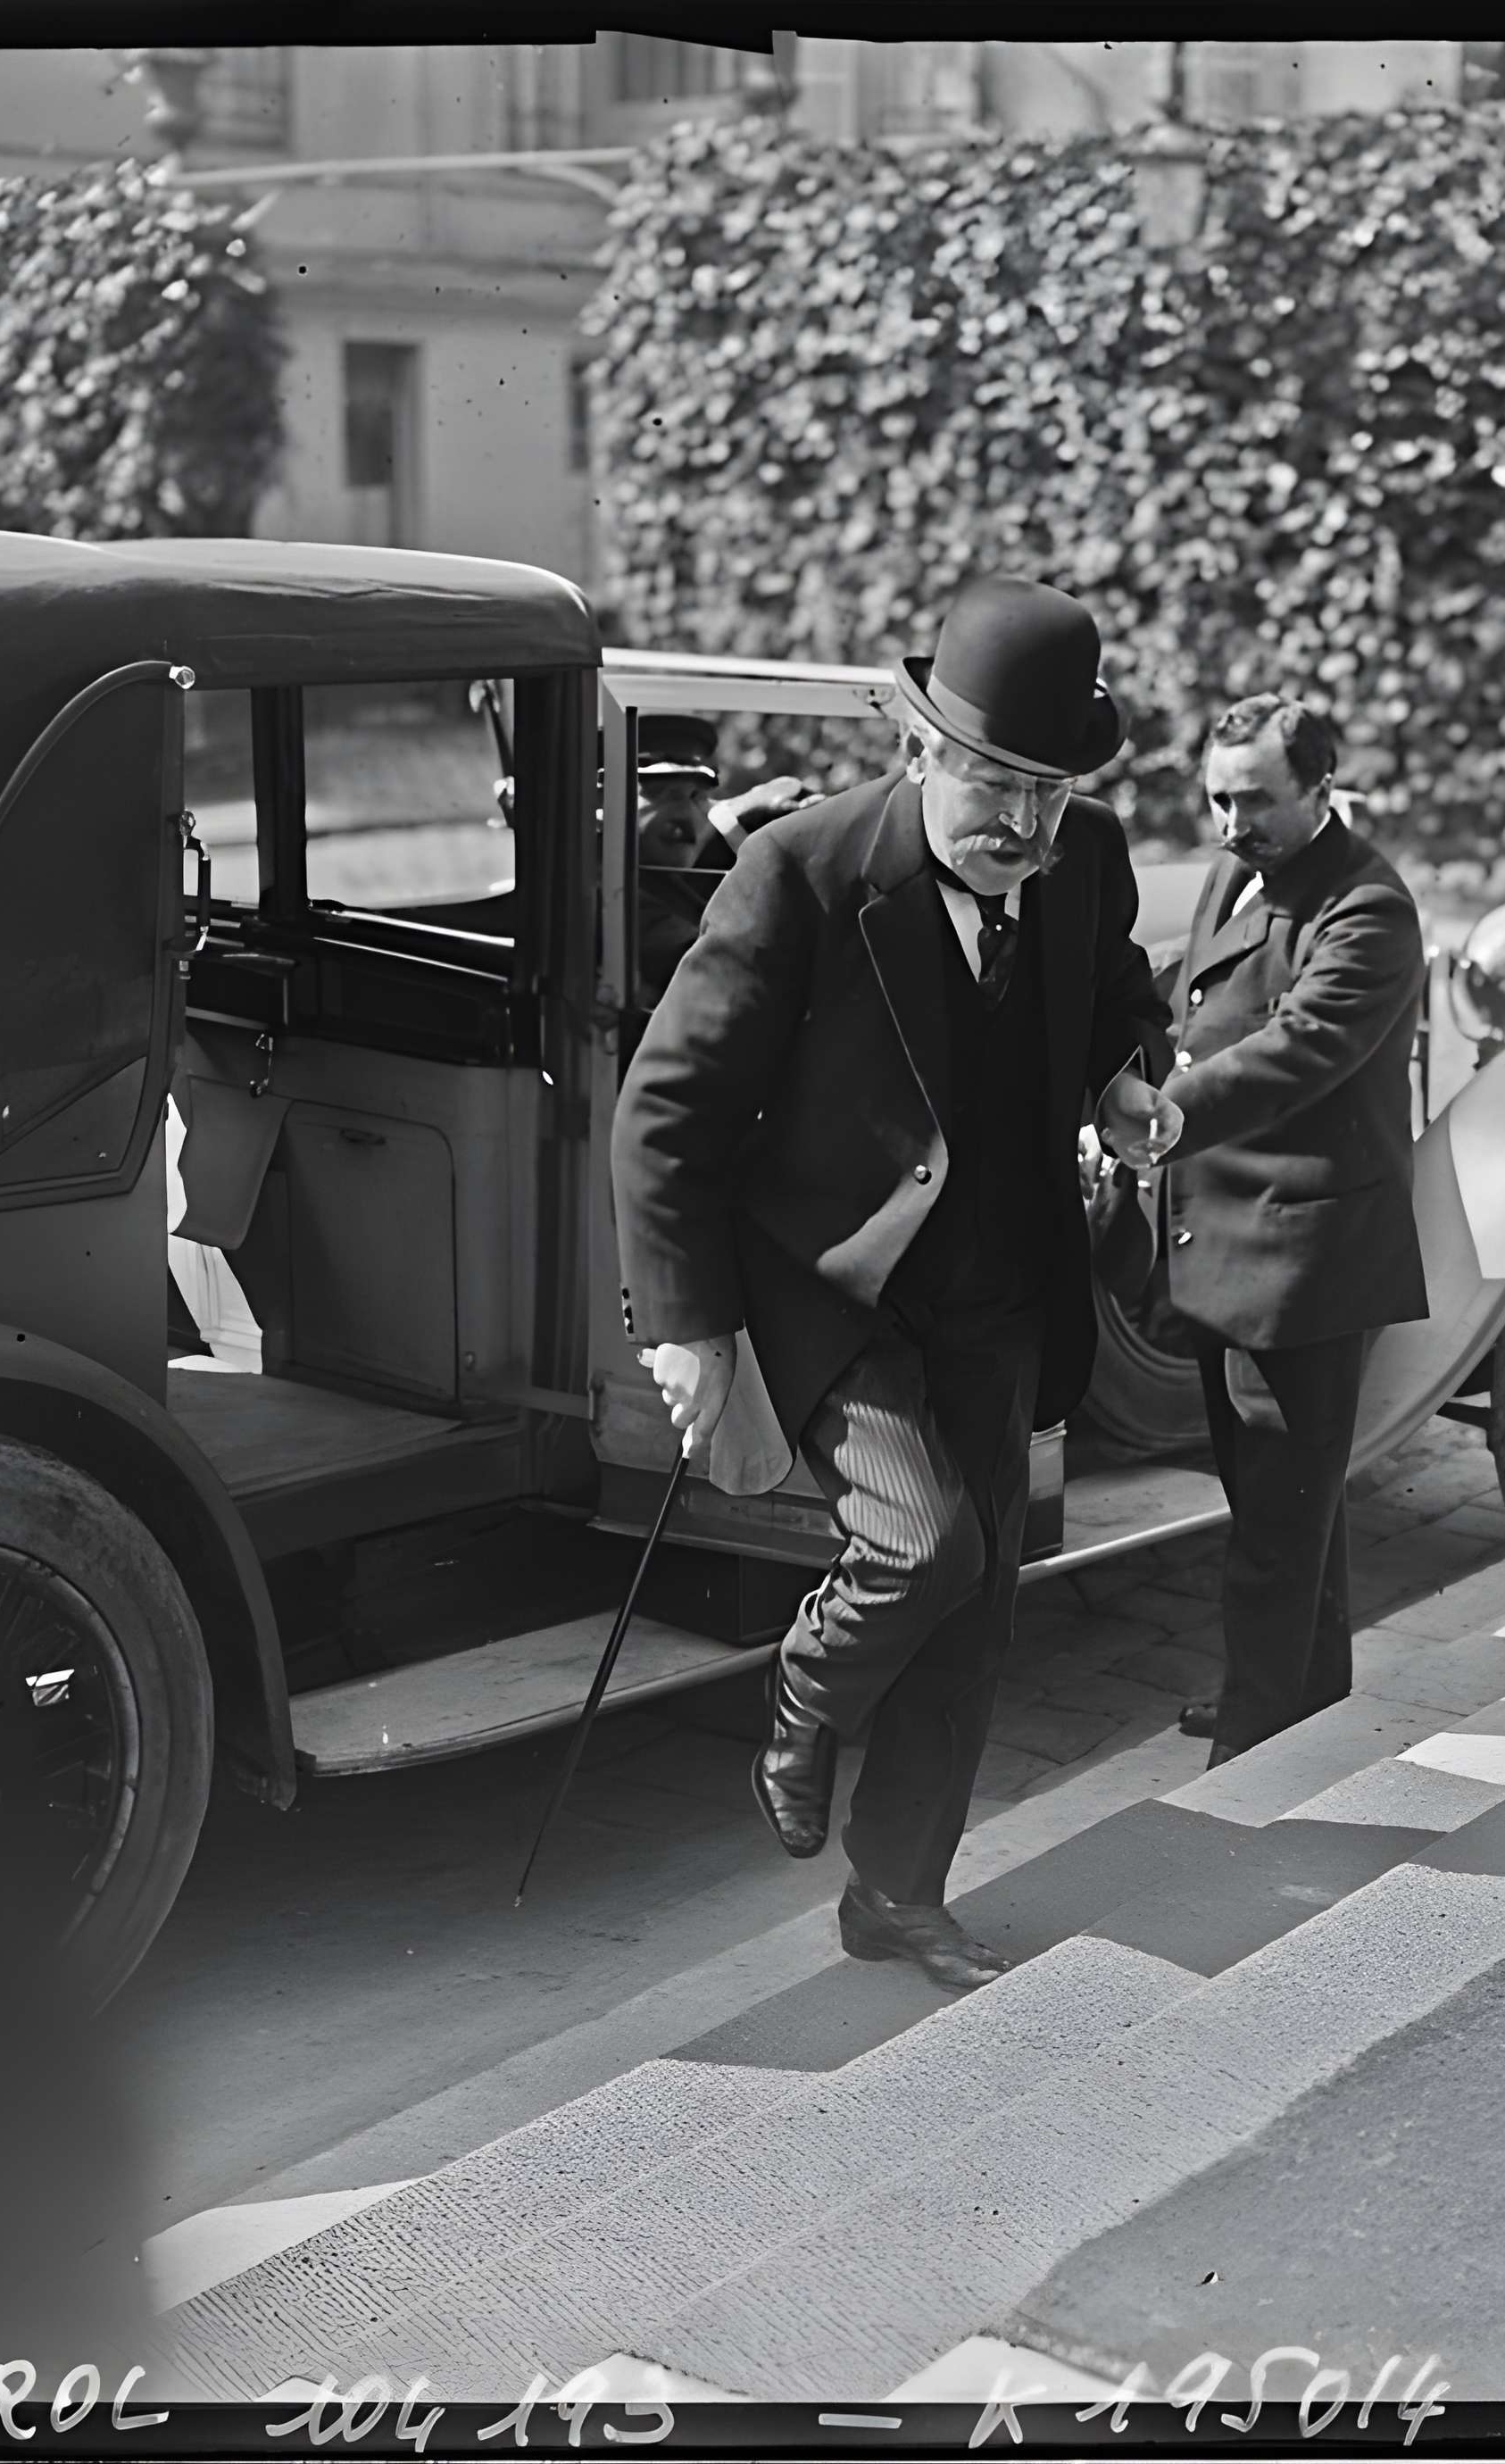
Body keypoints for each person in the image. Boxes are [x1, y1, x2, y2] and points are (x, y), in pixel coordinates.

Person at [611, 578, 1178, 1991]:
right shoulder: (799, 875)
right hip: (835, 1296)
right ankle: (804, 1695)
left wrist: (1123, 1085)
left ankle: (897, 1898)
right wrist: (689, 1327)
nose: (1025, 827)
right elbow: (665, 1111)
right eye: (996, 783)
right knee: (926, 1550)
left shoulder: (1082, 858)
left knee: (974, 1618)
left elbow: (1118, 991)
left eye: (1049, 793)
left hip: (998, 1289)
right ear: (920, 749)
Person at [1150, 695, 1432, 1761]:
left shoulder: (1369, 908)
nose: (1230, 824)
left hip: (1303, 1262)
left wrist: (1164, 1115)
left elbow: (1301, 1048)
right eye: (1218, 799)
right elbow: (1192, 988)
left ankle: (1259, 1741)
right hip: (1233, 1247)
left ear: (1321, 789)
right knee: (1282, 1506)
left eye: (1256, 801)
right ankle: (1300, 1695)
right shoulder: (1244, 867)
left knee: (1277, 1519)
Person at [633, 713, 809, 1001]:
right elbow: (729, 971)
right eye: (661, 793)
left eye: (696, 797)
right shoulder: (614, 895)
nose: (684, 814)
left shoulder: (667, 884)